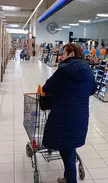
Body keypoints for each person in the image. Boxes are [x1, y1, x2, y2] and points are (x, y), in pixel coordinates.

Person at [42, 44, 97, 183]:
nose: (61, 56)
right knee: (69, 146)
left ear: (71, 53)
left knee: (66, 149)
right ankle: (68, 177)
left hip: (63, 116)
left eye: (64, 53)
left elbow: (47, 88)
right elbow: (93, 89)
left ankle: (71, 179)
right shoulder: (88, 69)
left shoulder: (63, 70)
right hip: (80, 116)